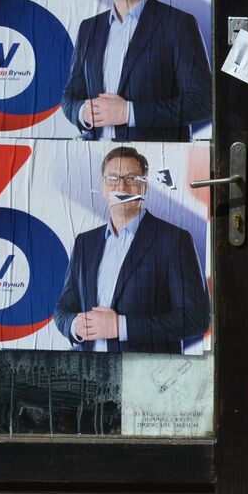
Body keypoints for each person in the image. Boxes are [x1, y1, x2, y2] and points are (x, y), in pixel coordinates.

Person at [54, 146, 211, 354]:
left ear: (145, 187)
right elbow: (63, 309)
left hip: (147, 373)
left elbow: (195, 318)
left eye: (131, 178)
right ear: (103, 187)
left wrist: (121, 327)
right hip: (91, 369)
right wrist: (74, 325)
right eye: (112, 178)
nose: (121, 185)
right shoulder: (85, 243)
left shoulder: (174, 240)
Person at [60, 0, 212, 142]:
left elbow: (202, 101)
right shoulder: (89, 27)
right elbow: (70, 95)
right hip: (95, 152)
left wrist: (129, 113)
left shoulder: (178, 24)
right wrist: (82, 112)